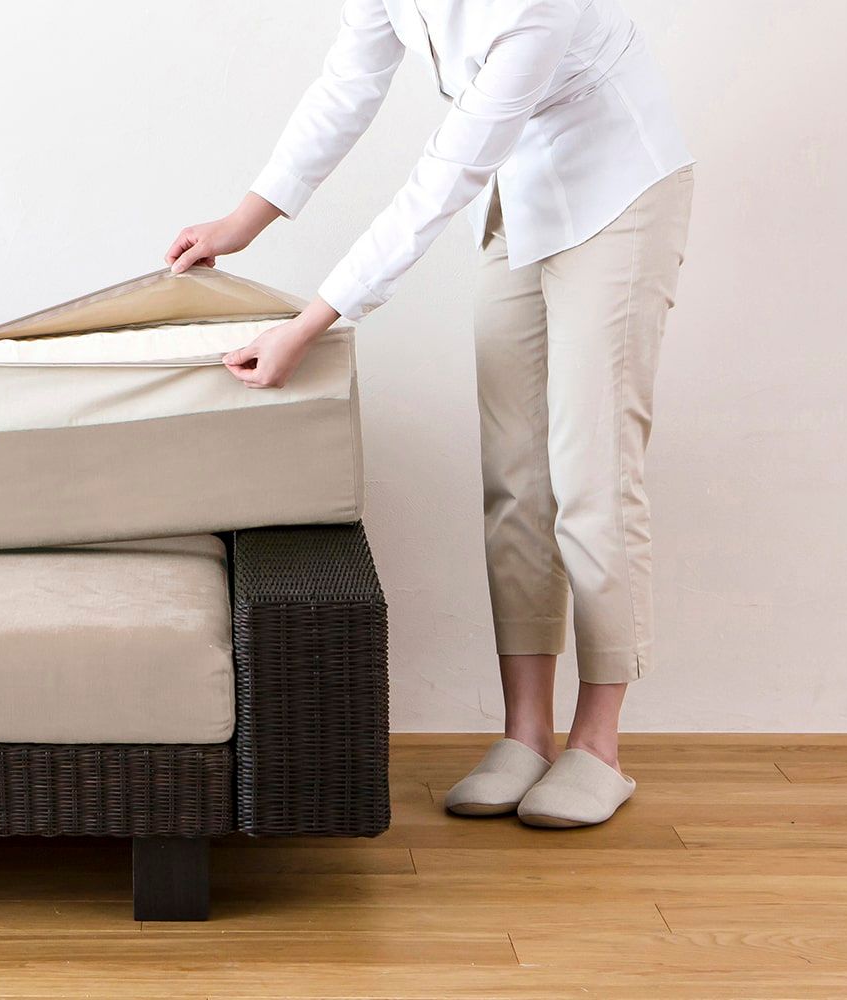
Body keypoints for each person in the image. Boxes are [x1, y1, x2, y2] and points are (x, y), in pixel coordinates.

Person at [166, 0, 694, 828]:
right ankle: (526, 734)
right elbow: (347, 86)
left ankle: (598, 745)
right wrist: (243, 221)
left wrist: (309, 324)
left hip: (618, 194)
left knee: (591, 474)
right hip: (521, 191)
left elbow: (442, 180)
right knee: (514, 474)